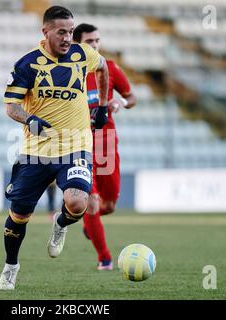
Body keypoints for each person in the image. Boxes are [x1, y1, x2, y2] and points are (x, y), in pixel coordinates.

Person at [0, 6, 109, 290]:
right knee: (18, 216)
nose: (68, 38)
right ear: (45, 32)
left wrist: (104, 107)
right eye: (62, 32)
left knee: (77, 202)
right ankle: (11, 266)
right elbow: (11, 107)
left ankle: (60, 223)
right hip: (37, 152)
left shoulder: (83, 54)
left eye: (71, 32)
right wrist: (29, 118)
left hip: (76, 145)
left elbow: (104, 67)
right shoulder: (27, 64)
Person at [73, 23, 137, 270]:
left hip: (106, 143)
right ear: (78, 45)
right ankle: (105, 258)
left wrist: (121, 102)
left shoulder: (109, 68)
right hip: (80, 145)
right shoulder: (70, 73)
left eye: (97, 41)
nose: (95, 45)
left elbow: (133, 98)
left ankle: (85, 221)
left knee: (108, 205)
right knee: (92, 202)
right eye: (90, 42)